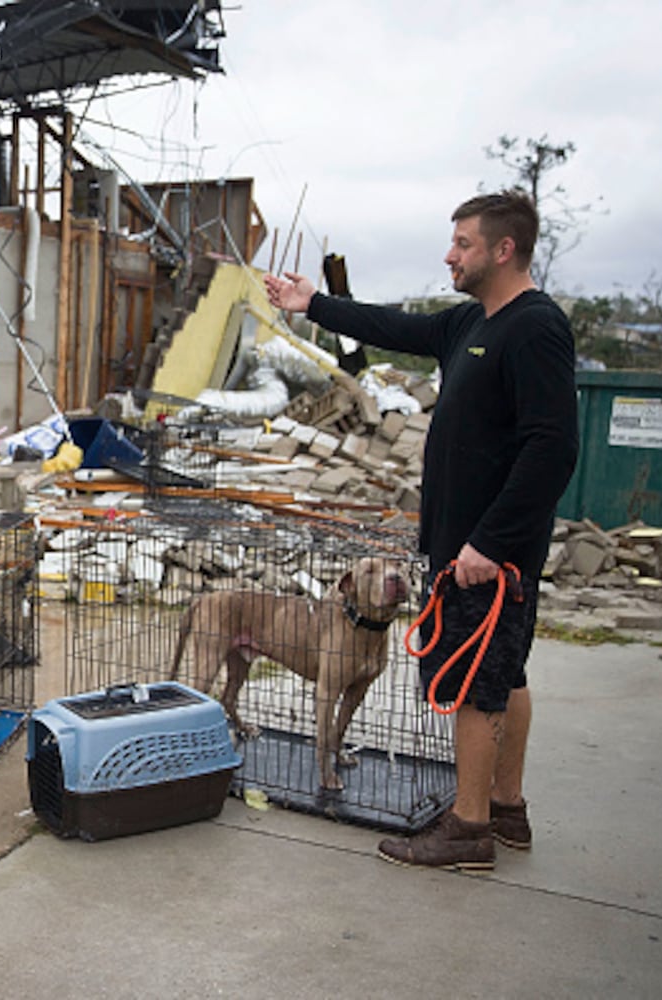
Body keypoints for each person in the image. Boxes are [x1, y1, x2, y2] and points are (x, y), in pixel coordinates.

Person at [263, 190, 578, 871]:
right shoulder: (469, 322)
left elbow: (552, 447)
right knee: (505, 674)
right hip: (467, 549)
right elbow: (393, 325)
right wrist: (312, 304)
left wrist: (489, 544)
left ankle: (469, 830)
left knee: (472, 685)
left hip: (487, 559)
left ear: (503, 249)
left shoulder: (535, 329)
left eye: (462, 243)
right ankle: (505, 808)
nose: (449, 254)